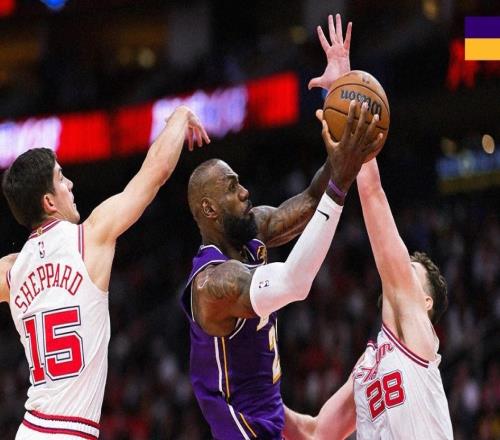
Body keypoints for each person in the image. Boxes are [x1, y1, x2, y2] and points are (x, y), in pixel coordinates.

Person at [180, 15, 385, 439]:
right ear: (209, 209)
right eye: (232, 188)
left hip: (271, 420)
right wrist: (341, 181)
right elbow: (295, 282)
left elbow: (310, 200)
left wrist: (339, 91)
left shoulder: (251, 231)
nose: (245, 192)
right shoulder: (214, 284)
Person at [282, 14, 453, 440]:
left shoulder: (419, 333)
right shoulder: (366, 368)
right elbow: (316, 432)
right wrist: (252, 397)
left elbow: (373, 195)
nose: (401, 267)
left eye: (411, 270)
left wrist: (346, 90)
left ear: (426, 303)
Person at [0, 105, 209, 440]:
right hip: (67, 432)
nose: (70, 184)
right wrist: (180, 117)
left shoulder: (10, 272)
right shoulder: (90, 238)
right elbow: (154, 173)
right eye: (61, 177)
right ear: (49, 202)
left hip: (32, 429)